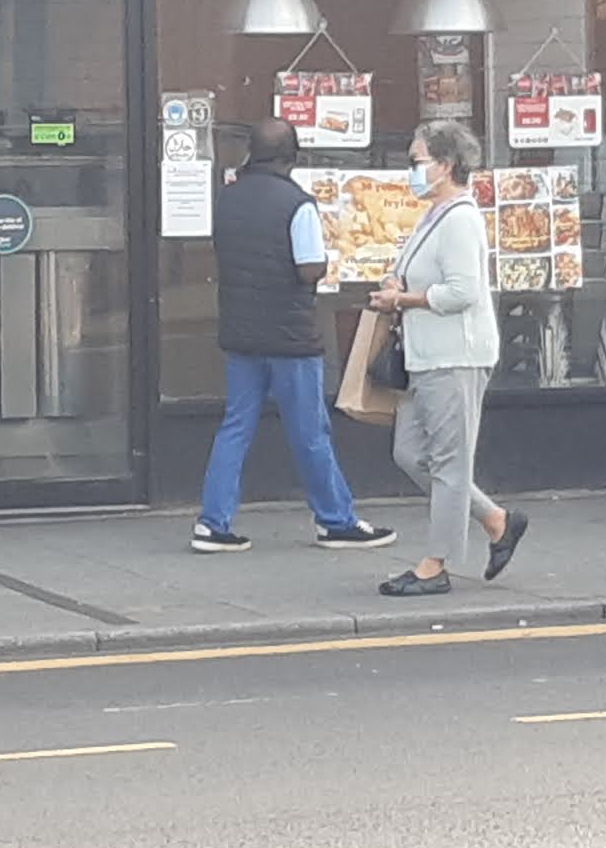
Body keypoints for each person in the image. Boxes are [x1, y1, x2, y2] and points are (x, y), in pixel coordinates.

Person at [192, 118, 395, 555]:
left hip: (242, 331)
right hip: (289, 335)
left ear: (251, 152)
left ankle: (213, 522)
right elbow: (308, 268)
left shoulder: (227, 199)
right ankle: (336, 520)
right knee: (310, 432)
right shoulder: (297, 204)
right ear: (293, 157)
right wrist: (326, 260)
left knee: (236, 426)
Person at [369, 121, 527, 596]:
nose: (412, 171)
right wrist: (397, 286)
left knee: (450, 464)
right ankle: (497, 520)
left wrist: (406, 300)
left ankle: (435, 565)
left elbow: (463, 292)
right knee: (410, 453)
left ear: (446, 165)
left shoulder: (460, 219)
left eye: (418, 161)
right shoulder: (433, 215)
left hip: (456, 355)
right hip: (426, 355)